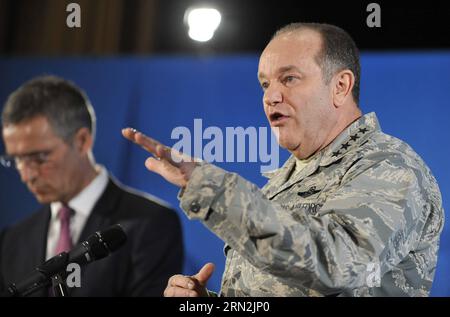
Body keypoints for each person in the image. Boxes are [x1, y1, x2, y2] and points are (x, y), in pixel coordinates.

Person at [122, 23, 444, 297]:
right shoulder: (282, 181)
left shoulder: (390, 166)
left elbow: (340, 264)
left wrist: (210, 188)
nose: (270, 96)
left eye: (289, 78)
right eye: (265, 83)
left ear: (340, 86)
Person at [0, 75, 183, 296]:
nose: (26, 175)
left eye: (39, 157)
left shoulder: (151, 224)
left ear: (82, 141)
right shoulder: (12, 240)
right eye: (17, 160)